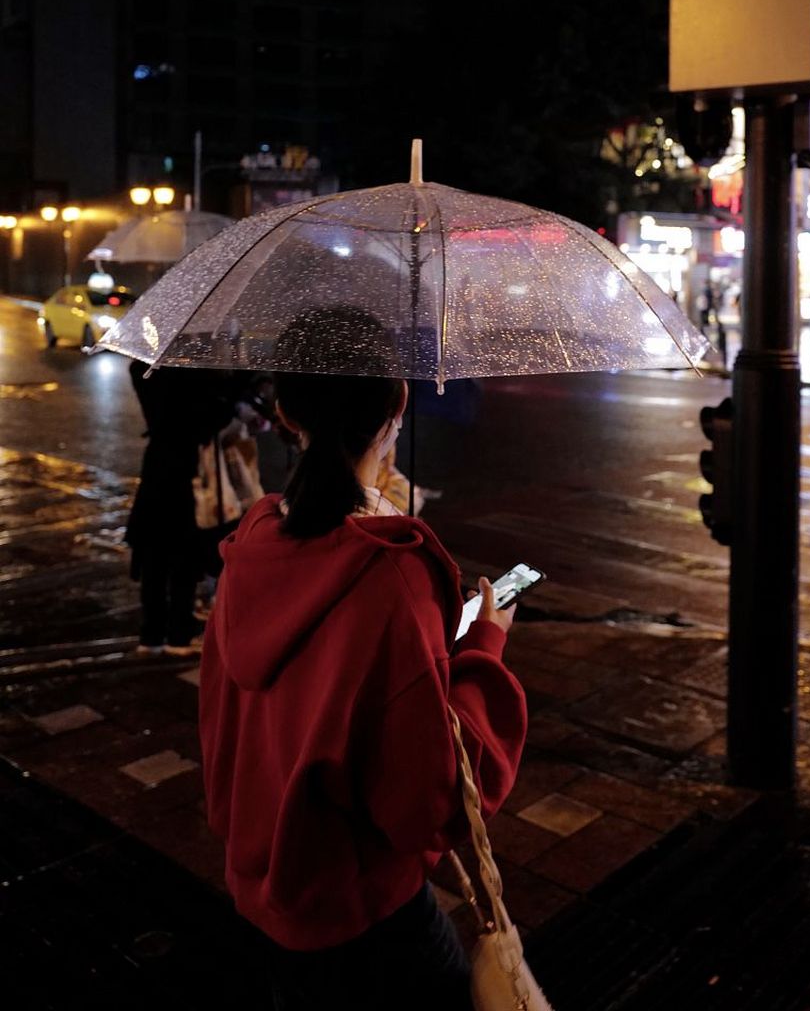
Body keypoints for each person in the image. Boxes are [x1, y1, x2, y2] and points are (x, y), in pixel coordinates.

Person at [198, 312, 527, 1011]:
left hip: (258, 903)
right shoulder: (389, 573)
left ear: (284, 412)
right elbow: (430, 803)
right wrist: (484, 647)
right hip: (363, 924)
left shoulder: (253, 545)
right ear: (400, 402)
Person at [126, 361, 236, 656]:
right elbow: (211, 422)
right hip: (186, 474)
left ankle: (150, 635)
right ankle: (179, 635)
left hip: (155, 471)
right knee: (183, 557)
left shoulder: (145, 370)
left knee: (154, 559)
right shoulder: (195, 376)